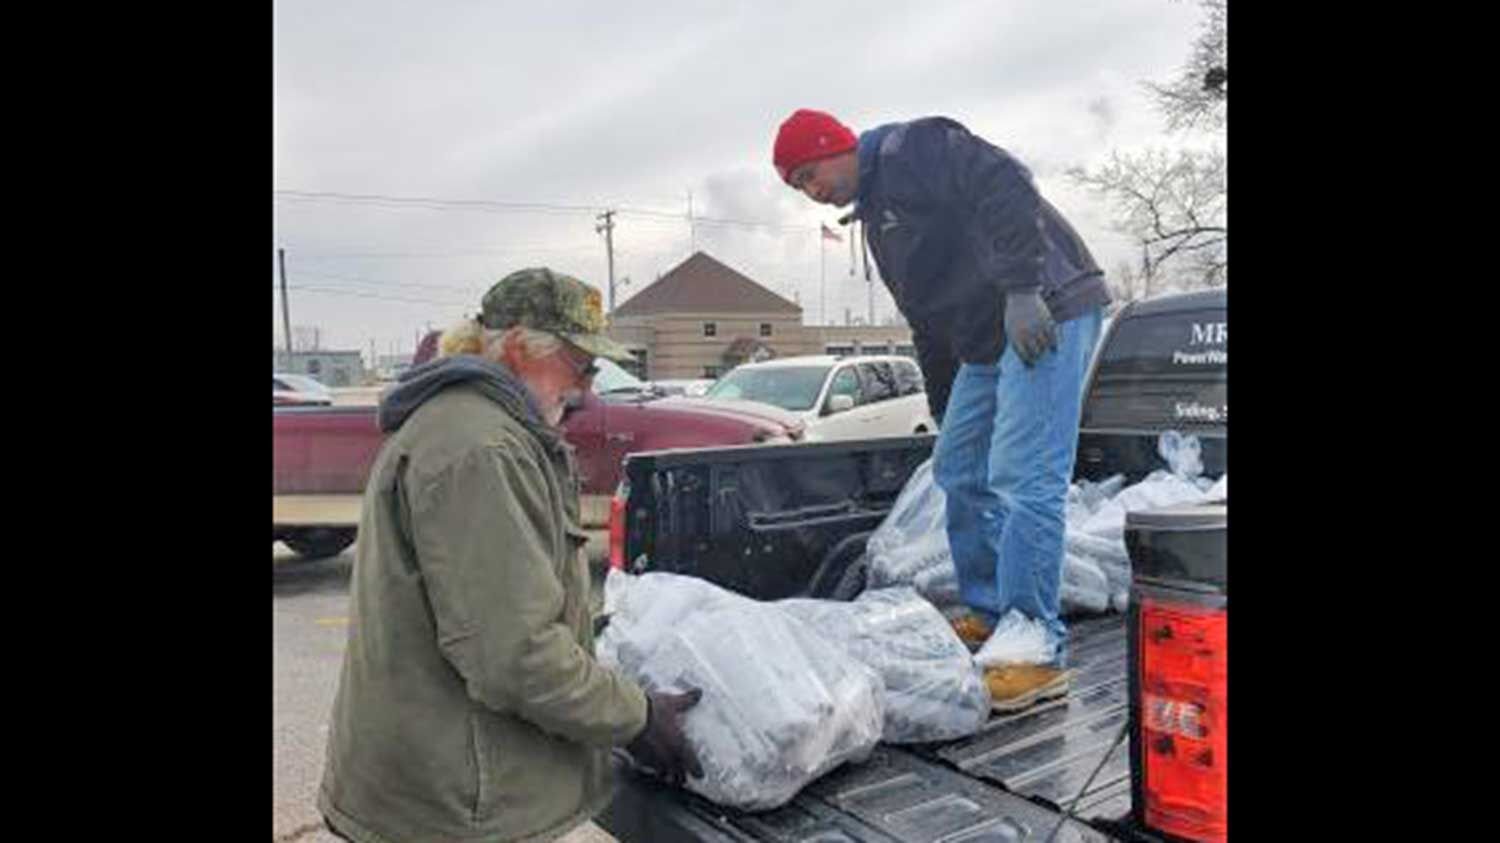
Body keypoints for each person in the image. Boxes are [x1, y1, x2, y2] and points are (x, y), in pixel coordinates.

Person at [319, 267, 701, 843]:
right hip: (452, 808)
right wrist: (638, 718)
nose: (590, 389)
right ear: (520, 347)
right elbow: (515, 655)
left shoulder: (484, 429)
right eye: (583, 364)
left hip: (445, 787)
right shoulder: (480, 450)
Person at [773, 109, 1110, 712]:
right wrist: (946, 405)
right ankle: (991, 610)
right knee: (956, 468)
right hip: (983, 339)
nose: (811, 192)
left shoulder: (915, 148)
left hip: (1044, 307)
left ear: (836, 146)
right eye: (798, 187)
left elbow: (1006, 184)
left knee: (1023, 474)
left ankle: (1036, 643)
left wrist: (1025, 288)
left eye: (808, 174)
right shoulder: (879, 224)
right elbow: (927, 323)